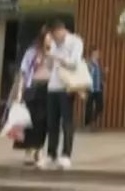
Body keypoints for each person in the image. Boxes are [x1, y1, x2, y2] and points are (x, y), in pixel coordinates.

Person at [45, 20, 84, 169]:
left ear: (61, 30)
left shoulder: (75, 42)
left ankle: (66, 155)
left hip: (66, 86)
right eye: (52, 36)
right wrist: (48, 52)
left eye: (55, 35)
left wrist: (56, 57)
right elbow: (49, 67)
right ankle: (51, 154)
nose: (54, 38)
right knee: (51, 123)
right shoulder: (53, 44)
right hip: (52, 86)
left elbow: (74, 63)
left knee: (67, 122)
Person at [14, 27, 52, 166]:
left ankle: (38, 149)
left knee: (44, 122)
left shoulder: (55, 54)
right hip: (33, 88)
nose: (50, 41)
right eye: (48, 37)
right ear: (43, 38)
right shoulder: (32, 52)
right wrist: (19, 92)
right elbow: (23, 72)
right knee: (31, 121)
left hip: (49, 89)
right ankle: (29, 149)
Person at [84, 48, 104, 130]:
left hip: (98, 88)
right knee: (89, 106)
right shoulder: (88, 63)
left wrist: (103, 74)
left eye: (98, 53)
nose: (98, 54)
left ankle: (93, 120)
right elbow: (85, 73)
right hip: (90, 88)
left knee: (100, 106)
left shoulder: (99, 64)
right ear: (92, 54)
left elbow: (99, 75)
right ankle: (89, 124)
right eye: (96, 53)